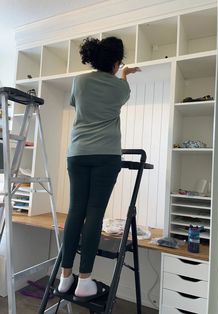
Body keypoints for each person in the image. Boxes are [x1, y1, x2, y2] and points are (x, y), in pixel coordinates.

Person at [58, 36, 140, 299]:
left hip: (78, 153)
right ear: (116, 64)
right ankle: (84, 280)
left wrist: (119, 72)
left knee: (75, 211)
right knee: (94, 213)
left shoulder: (79, 82)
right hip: (106, 156)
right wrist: (125, 74)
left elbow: (77, 104)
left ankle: (65, 277)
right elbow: (121, 91)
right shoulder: (121, 88)